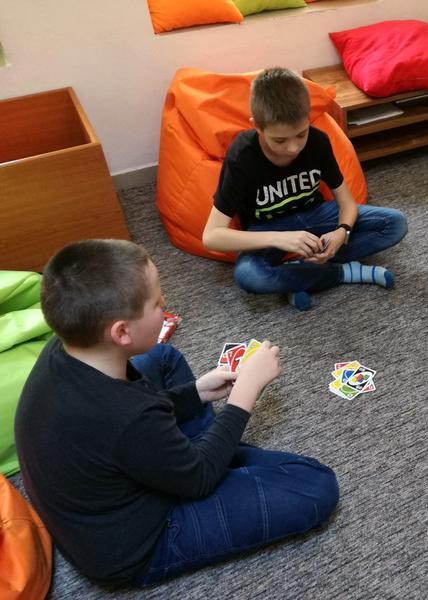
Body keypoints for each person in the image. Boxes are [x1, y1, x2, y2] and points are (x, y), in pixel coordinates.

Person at [14, 239, 339, 586]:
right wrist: (243, 396)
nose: (165, 302)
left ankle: (194, 451)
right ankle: (201, 453)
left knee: (163, 359)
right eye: (156, 302)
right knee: (315, 485)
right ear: (122, 331)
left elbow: (128, 418)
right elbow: (195, 477)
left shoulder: (65, 345)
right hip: (131, 548)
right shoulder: (128, 415)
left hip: (96, 482)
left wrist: (196, 393)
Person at [203, 66, 407, 311]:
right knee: (248, 275)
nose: (293, 148)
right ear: (257, 126)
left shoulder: (318, 141)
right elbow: (212, 236)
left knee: (395, 223)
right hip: (268, 229)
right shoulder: (242, 155)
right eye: (280, 140)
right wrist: (281, 238)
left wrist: (341, 232)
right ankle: (340, 273)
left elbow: (347, 203)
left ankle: (296, 273)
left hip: (317, 216)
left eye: (301, 134)